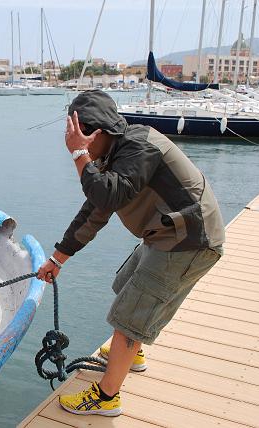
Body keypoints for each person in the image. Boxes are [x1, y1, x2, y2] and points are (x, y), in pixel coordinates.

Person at [37, 90, 225, 417]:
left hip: (190, 239)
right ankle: (131, 354)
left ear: (97, 133)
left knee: (130, 316)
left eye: (77, 135)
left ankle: (107, 398)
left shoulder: (140, 146)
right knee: (125, 286)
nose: (70, 142)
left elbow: (109, 195)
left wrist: (78, 153)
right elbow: (94, 211)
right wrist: (57, 259)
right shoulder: (113, 155)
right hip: (166, 233)